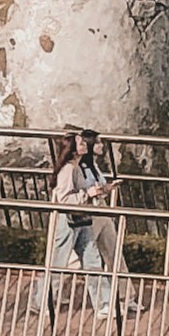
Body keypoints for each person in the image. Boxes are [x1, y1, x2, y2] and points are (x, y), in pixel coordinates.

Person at [36, 128, 116, 323]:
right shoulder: (68, 170)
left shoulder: (77, 167)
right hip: (68, 221)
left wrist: (98, 191)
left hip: (82, 218)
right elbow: (64, 200)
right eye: (80, 143)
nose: (84, 146)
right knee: (58, 262)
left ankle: (104, 304)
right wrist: (87, 194)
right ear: (73, 149)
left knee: (92, 260)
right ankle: (41, 301)